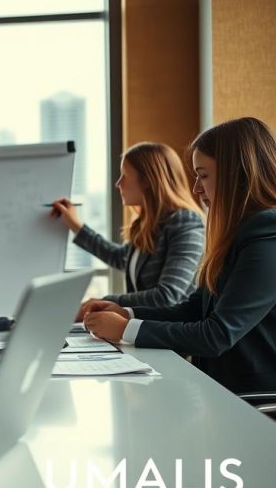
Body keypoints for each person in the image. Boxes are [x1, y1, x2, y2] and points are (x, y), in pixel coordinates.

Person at [81, 117, 276, 394]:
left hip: (252, 399)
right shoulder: (238, 232)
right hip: (222, 388)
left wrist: (126, 329)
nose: (196, 188)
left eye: (203, 175)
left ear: (237, 173)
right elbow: (194, 308)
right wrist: (127, 312)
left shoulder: (267, 235)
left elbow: (217, 335)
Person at [50, 142, 204, 307]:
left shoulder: (185, 223)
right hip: (146, 328)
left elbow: (166, 296)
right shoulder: (148, 225)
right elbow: (118, 257)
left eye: (124, 175)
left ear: (146, 180)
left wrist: (104, 302)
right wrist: (76, 225)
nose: (118, 183)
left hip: (171, 330)